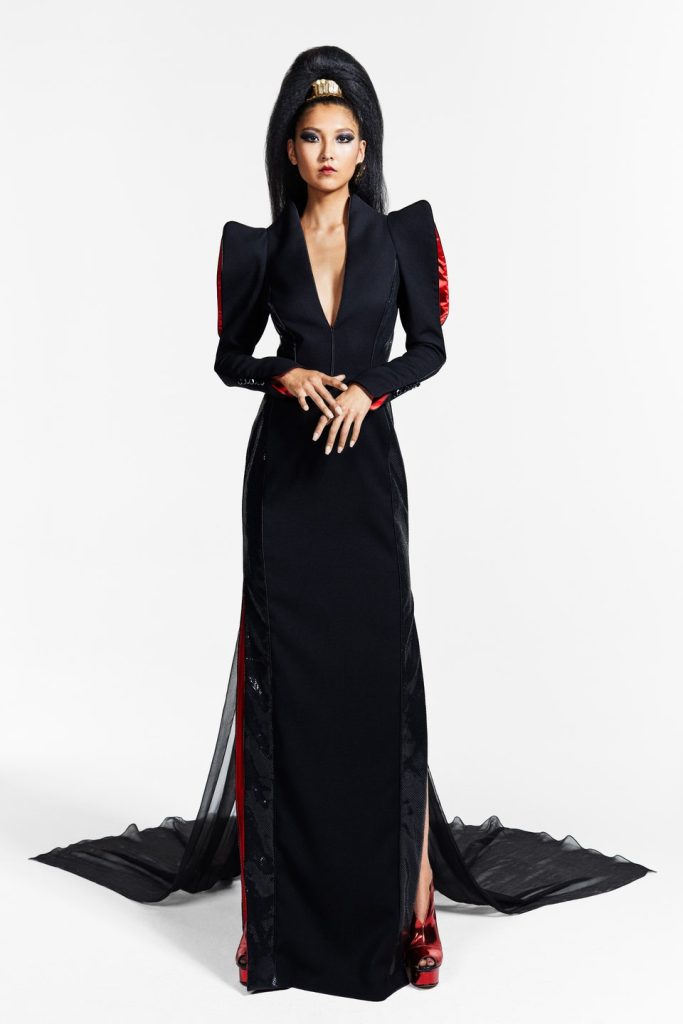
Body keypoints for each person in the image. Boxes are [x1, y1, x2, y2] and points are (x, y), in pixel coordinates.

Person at [30, 46, 654, 1002]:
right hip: (286, 485)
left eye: (344, 137)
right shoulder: (255, 246)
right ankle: (276, 927)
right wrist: (281, 372)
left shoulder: (403, 234)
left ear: (365, 150)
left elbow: (429, 348)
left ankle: (413, 904)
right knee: (289, 691)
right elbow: (228, 357)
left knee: (379, 686)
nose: (328, 151)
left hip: (364, 481)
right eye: (312, 137)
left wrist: (371, 388)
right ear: (289, 149)